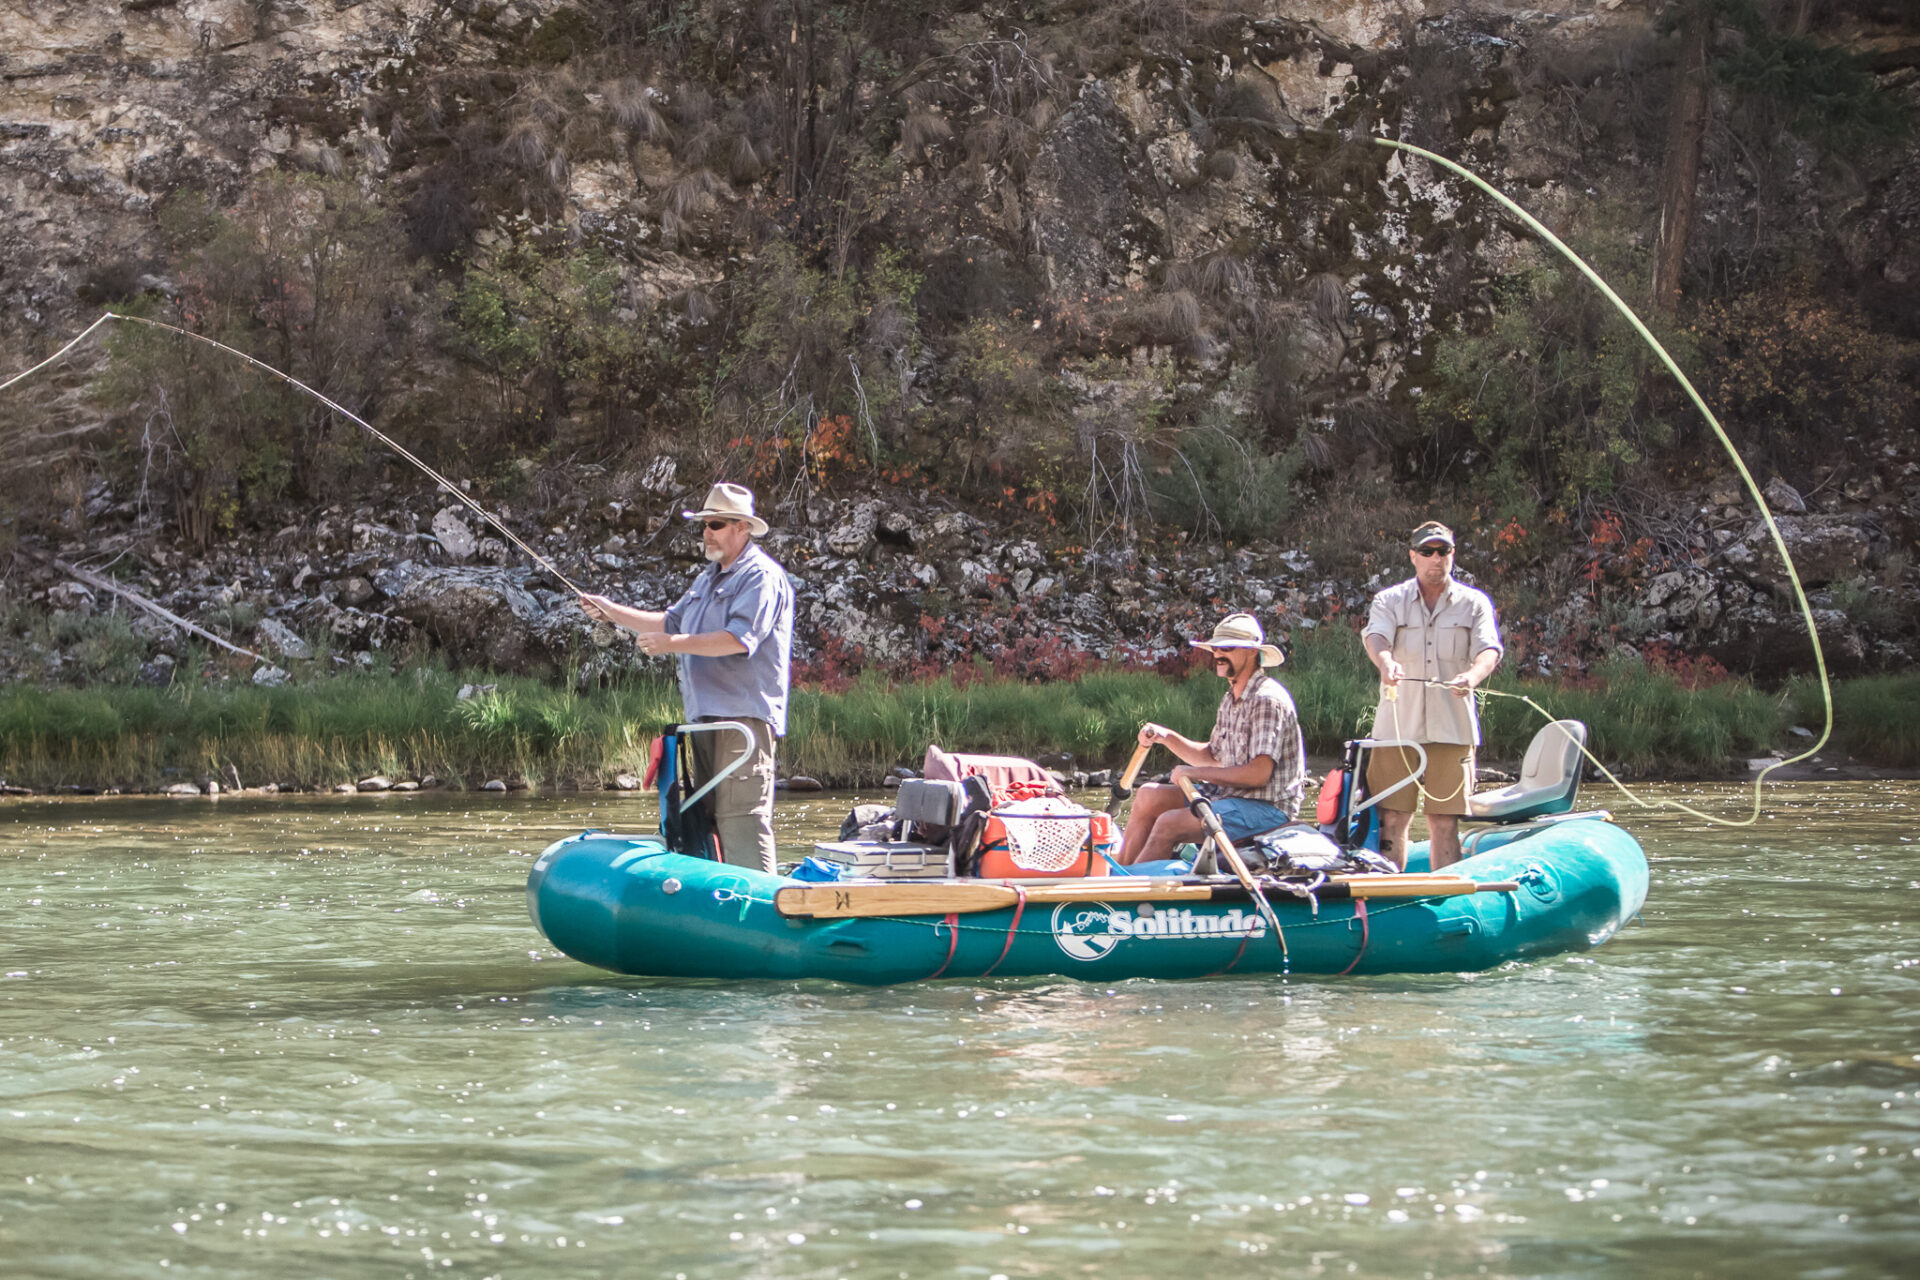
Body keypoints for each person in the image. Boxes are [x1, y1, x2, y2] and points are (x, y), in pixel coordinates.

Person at [578, 482, 794, 874]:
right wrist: (611, 612)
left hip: (743, 719)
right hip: (705, 718)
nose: (706, 532)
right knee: (705, 819)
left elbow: (736, 640)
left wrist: (672, 643)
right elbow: (669, 621)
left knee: (742, 819)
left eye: (715, 524)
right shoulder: (708, 578)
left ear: (742, 528)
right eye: (703, 524)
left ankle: (764, 909)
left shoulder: (761, 577)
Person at [1361, 520, 1503, 870]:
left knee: (1444, 821)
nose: (1436, 558)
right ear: (1413, 556)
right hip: (1396, 728)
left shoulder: (1475, 603)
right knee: (1392, 819)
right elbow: (1375, 637)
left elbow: (1489, 650)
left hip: (1452, 727)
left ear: (1452, 555)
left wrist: (1472, 676)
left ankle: (1446, 901)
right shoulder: (1388, 600)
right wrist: (1386, 663)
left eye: (1443, 551)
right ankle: (1388, 900)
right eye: (1427, 551)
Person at [1115, 613, 1307, 866]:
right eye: (1215, 648)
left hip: (1268, 809)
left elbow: (1258, 775)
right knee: (1148, 796)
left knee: (1169, 824)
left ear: (1252, 653)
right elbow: (1212, 755)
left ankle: (1134, 893)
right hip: (1232, 798)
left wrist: (1193, 774)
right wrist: (1166, 737)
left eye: (1226, 648)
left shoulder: (1266, 700)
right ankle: (1119, 878)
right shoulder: (1231, 698)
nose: (1217, 655)